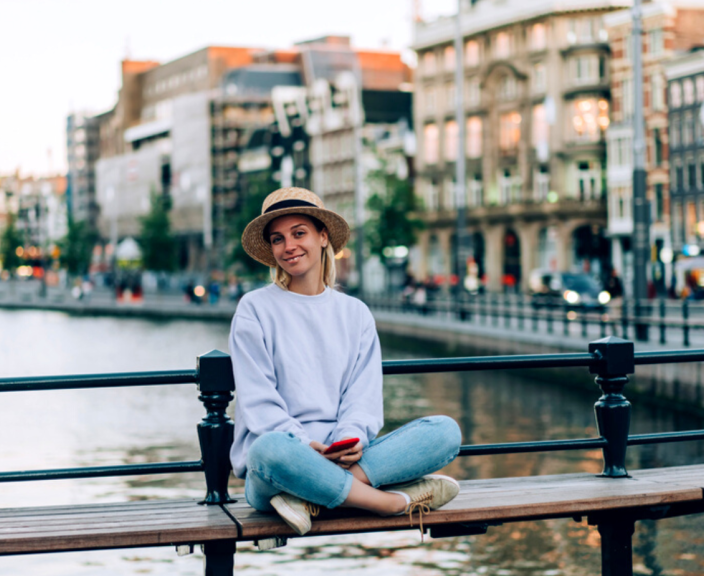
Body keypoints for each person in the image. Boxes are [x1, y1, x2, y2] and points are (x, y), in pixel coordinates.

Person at [229, 187, 462, 537]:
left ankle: (309, 498)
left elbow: (363, 397)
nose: (288, 246)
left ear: (323, 238)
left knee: (445, 432)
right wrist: (303, 447)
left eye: (299, 233)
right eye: (278, 239)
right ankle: (392, 503)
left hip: (345, 458)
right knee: (267, 450)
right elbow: (258, 401)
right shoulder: (254, 308)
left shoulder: (355, 313)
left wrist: (351, 438)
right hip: (282, 463)